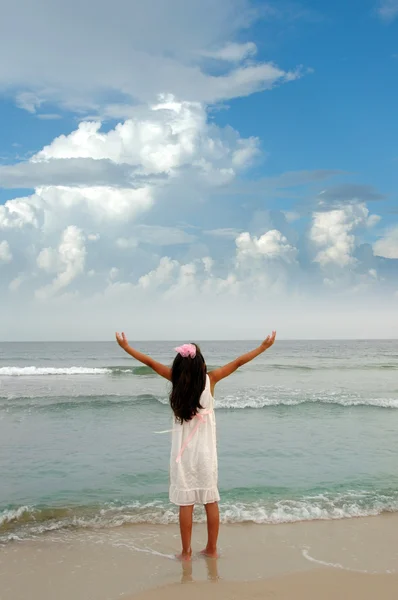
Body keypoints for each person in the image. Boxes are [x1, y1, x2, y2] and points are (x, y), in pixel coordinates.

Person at [115, 331, 277, 561]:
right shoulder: (212, 380)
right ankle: (211, 549)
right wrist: (263, 347)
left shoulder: (175, 381)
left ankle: (186, 552)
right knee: (210, 500)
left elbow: (149, 362)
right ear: (201, 363)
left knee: (186, 503)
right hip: (206, 454)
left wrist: (125, 348)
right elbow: (239, 362)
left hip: (183, 454)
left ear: (179, 364)